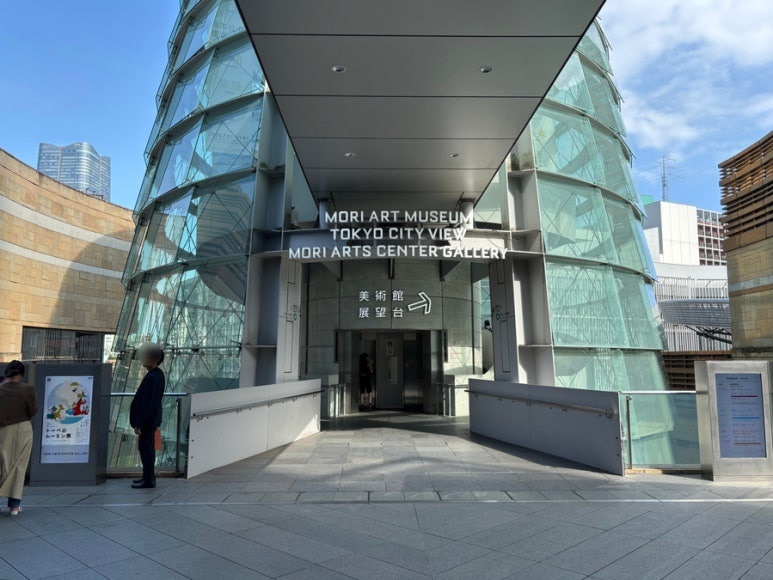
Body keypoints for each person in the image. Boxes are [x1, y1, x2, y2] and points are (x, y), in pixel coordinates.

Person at [0, 361, 38, 516]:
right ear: (21, 374)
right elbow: (33, 409)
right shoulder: (27, 389)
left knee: (2, 465)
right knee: (19, 466)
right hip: (23, 428)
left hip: (1, 429)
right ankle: (14, 507)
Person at [129, 344, 165, 489]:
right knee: (147, 449)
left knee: (146, 450)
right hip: (152, 419)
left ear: (154, 360)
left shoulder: (152, 377)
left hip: (148, 421)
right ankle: (147, 477)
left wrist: (139, 423)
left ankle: (148, 480)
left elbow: (147, 403)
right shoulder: (158, 374)